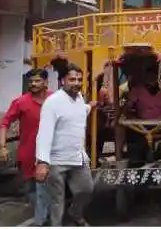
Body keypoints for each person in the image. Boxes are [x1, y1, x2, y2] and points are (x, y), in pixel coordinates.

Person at [35, 64, 99, 226]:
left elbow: (80, 111)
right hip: (55, 160)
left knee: (86, 190)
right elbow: (44, 133)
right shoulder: (52, 102)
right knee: (57, 201)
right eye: (72, 79)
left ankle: (75, 213)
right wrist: (42, 161)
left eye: (79, 79)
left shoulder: (79, 98)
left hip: (78, 157)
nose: (76, 83)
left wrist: (91, 106)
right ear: (63, 80)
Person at [0, 69, 53, 226]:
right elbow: (4, 123)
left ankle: (42, 219)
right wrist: (2, 146)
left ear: (46, 82)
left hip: (51, 153)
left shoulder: (54, 99)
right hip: (28, 153)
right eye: (31, 82)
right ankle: (43, 216)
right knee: (30, 189)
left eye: (37, 81)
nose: (33, 84)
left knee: (48, 186)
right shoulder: (20, 102)